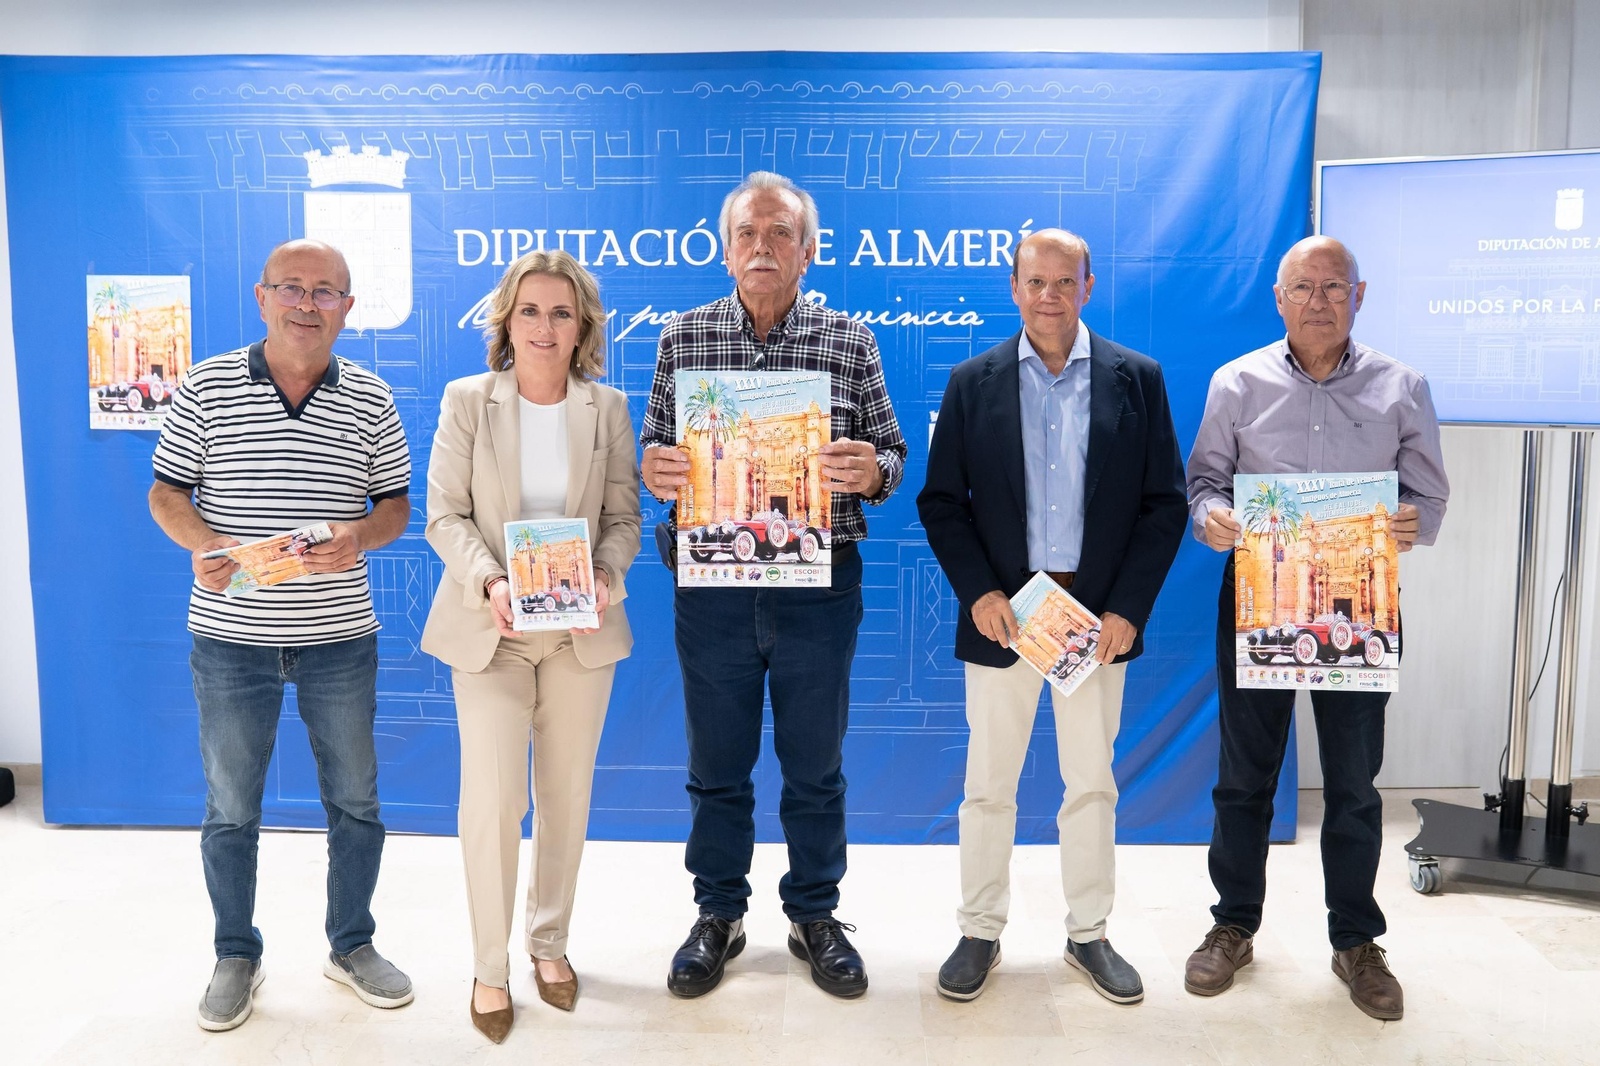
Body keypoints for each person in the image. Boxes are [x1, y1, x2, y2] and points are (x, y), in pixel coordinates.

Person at [639, 171, 907, 999]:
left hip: (817, 587)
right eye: (748, 235)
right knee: (716, 764)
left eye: (780, 234)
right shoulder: (682, 340)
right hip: (712, 588)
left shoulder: (849, 340)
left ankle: (814, 913)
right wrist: (655, 466)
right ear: (725, 249)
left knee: (814, 765)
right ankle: (718, 912)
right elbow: (653, 449)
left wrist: (872, 470)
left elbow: (892, 456)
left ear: (808, 248)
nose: (763, 248)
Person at [148, 239, 414, 1032]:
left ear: (347, 309)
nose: (307, 303)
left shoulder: (372, 398)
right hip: (231, 638)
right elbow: (166, 492)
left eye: (325, 291)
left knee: (356, 803)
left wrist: (359, 538)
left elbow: (394, 507)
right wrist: (201, 543)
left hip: (339, 638)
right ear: (262, 298)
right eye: (292, 289)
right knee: (231, 807)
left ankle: (352, 945)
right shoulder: (206, 385)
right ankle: (236, 952)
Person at [1184, 235, 1449, 1021]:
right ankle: (1232, 926)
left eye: (1335, 288)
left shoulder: (1403, 386)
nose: (1319, 302)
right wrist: (1214, 519)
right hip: (1259, 596)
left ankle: (1356, 941)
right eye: (1303, 288)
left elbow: (1429, 499)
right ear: (1279, 297)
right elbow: (1202, 483)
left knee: (1354, 785)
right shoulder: (1237, 383)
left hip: (1355, 607)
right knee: (1244, 778)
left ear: (1359, 297)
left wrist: (1409, 524)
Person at [917, 229, 1187, 1004]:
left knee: (1091, 784)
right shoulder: (974, 382)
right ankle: (979, 930)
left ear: (1089, 286)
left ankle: (1090, 934)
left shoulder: (1139, 379)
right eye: (1035, 281)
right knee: (987, 785)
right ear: (1014, 287)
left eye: (1064, 281)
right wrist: (980, 593)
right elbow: (942, 503)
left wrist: (1127, 609)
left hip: (1095, 624)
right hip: (1006, 619)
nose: (1049, 295)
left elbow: (1163, 505)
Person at [421, 250, 640, 1040]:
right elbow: (443, 514)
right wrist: (492, 583)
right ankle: (489, 965)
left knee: (566, 798)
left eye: (560, 312)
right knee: (493, 802)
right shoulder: (468, 402)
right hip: (494, 632)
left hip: (580, 634)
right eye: (529, 311)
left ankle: (550, 944)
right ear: (506, 321)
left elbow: (623, 520)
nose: (544, 327)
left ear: (581, 325)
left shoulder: (607, 408)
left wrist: (607, 575)